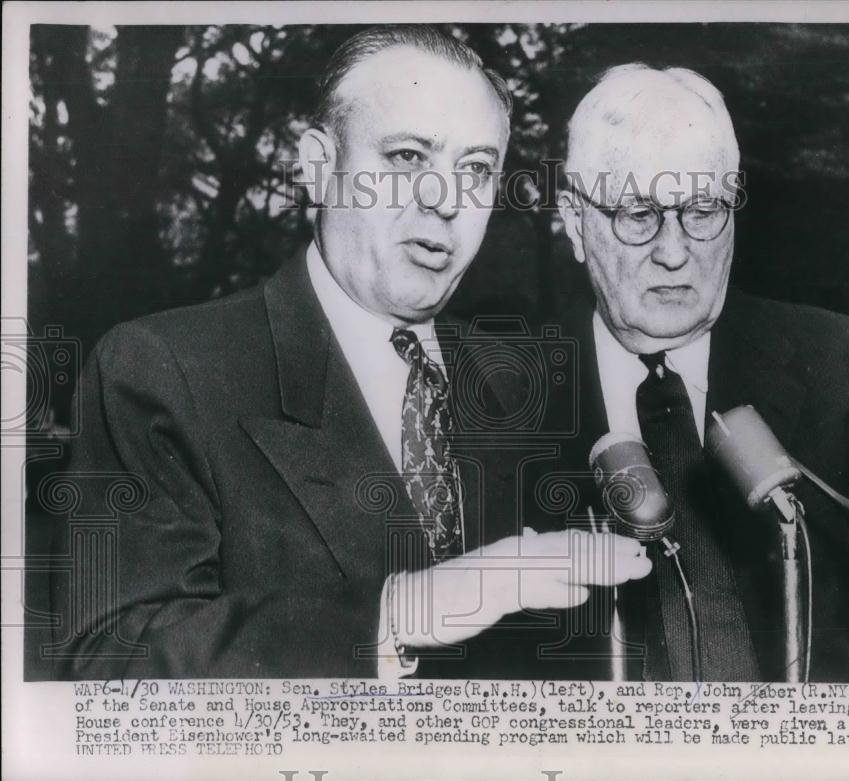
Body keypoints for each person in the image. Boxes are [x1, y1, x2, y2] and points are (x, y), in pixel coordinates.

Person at [49, 26, 650, 680]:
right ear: (315, 165)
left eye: (476, 170)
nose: (445, 200)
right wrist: (399, 613)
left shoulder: (529, 385)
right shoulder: (164, 370)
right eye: (408, 157)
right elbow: (108, 667)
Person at [539, 63, 849, 682]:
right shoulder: (501, 392)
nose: (675, 251)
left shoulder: (846, 367)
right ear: (576, 222)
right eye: (636, 214)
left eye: (703, 210)